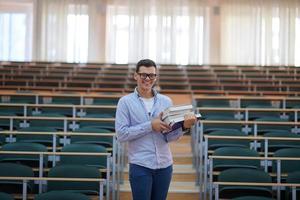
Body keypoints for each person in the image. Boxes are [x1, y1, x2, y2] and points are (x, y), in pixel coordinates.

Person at [115, 59, 197, 200]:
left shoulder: (166, 101)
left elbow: (169, 137)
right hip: (140, 165)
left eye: (151, 75)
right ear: (136, 76)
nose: (148, 79)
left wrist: (184, 127)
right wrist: (150, 126)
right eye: (143, 75)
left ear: (156, 77)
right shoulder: (125, 102)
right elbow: (121, 134)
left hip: (165, 165)